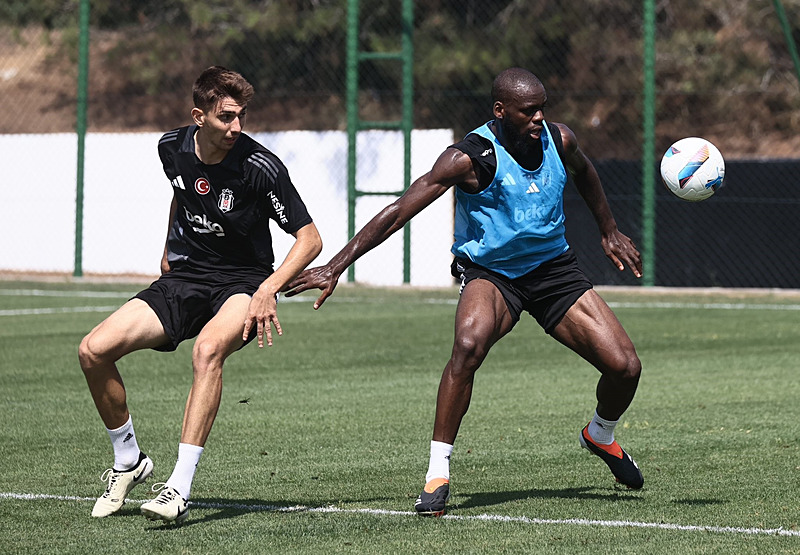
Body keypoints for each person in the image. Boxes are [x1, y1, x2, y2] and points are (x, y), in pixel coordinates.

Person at [285, 67, 643, 516]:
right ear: (500, 111)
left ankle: (601, 435)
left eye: (542, 108)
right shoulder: (469, 157)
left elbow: (586, 173)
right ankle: (438, 473)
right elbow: (399, 210)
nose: (539, 118)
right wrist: (335, 266)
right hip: (493, 273)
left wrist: (608, 230)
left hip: (554, 271)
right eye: (529, 111)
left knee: (626, 367)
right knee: (468, 345)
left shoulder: (560, 139)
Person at [79, 66, 322, 524]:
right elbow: (180, 192)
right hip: (186, 278)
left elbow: (310, 239)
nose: (237, 127)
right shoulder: (170, 148)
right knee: (93, 350)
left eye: (242, 116)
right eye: (227, 117)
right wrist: (168, 246)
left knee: (208, 351)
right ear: (199, 116)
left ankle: (178, 487)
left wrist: (267, 289)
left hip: (242, 282)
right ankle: (128, 459)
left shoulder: (260, 167)